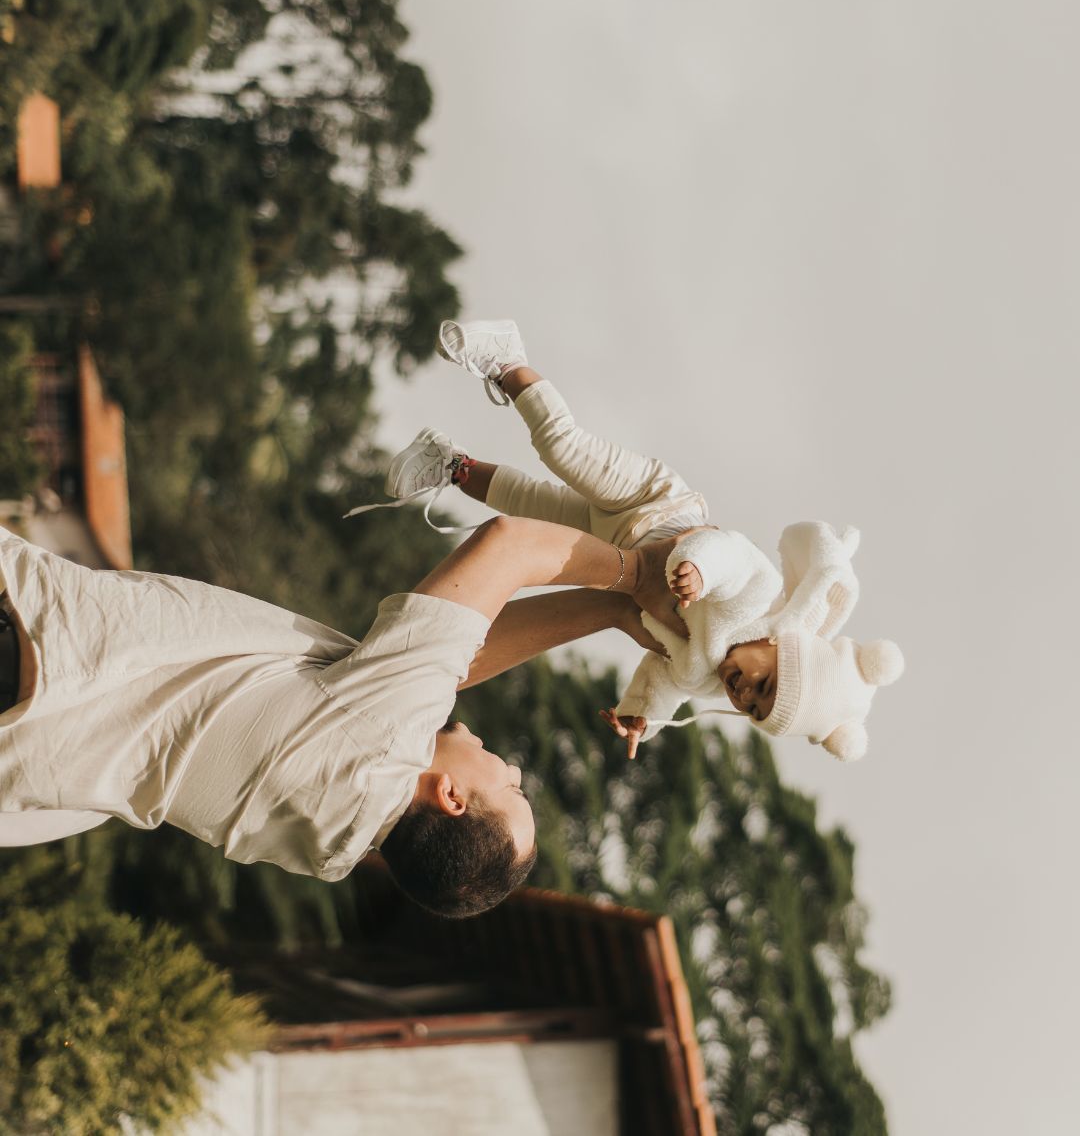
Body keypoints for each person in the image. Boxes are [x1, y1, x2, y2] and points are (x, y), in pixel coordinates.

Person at [0, 512, 682, 917]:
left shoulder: (381, 735)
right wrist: (611, 612)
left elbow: (505, 544)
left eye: (510, 787)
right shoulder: (331, 847)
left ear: (447, 795)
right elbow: (457, 661)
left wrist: (636, 571)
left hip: (34, 650)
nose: (510, 765)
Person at [357, 317, 904, 764]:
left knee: (527, 504)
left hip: (614, 542)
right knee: (564, 449)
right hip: (656, 504)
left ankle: (450, 464)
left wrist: (643, 714)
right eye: (766, 685)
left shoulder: (707, 676)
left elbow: (667, 676)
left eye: (753, 708)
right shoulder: (760, 604)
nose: (745, 692)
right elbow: (732, 556)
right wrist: (698, 569)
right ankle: (508, 360)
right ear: (782, 648)